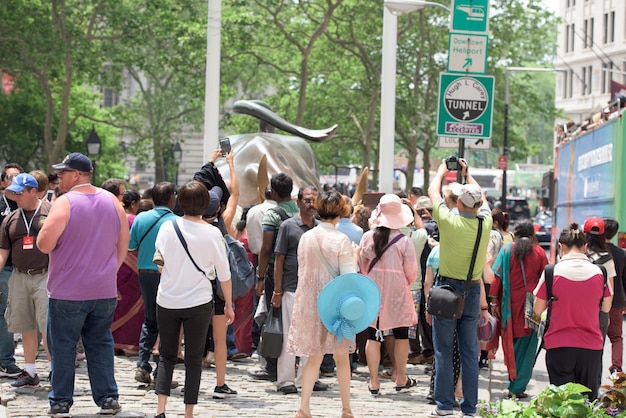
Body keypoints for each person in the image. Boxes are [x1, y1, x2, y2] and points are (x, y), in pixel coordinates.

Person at [37, 152, 129, 416]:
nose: (59, 177)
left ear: (76, 175)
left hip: (68, 290)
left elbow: (44, 244)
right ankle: (108, 398)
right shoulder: (112, 200)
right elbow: (124, 241)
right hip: (103, 288)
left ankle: (61, 401)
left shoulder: (65, 203)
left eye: (63, 173)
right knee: (100, 343)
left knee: (63, 346)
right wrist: (111, 270)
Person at [153, 180, 233, 418]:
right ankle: (188, 412)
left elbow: (160, 264)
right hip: (198, 302)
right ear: (207, 205)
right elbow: (225, 274)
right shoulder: (212, 233)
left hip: (167, 299)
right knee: (193, 359)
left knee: (167, 356)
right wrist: (228, 304)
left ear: (180, 202)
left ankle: (161, 409)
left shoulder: (167, 227)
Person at [427, 159, 491, 418]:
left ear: (460, 203)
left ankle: (443, 406)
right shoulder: (484, 224)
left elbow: (433, 192)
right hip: (473, 290)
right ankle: (470, 409)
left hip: (446, 288)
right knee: (469, 352)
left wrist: (442, 171)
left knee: (443, 349)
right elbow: (484, 199)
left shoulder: (449, 222)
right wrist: (469, 174)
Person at [287, 190, 356, 418]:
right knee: (341, 358)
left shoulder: (307, 237)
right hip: (336, 306)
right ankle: (346, 409)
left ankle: (304, 407)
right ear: (341, 212)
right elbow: (348, 277)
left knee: (313, 358)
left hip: (310, 302)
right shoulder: (341, 240)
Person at [533, 223, 612, 401]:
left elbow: (537, 310)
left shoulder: (551, 273)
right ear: (585, 247)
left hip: (559, 347)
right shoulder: (600, 273)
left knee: (561, 403)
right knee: (587, 402)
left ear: (561, 247)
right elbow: (606, 308)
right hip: (591, 348)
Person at [359, 194, 418, 394]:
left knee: (373, 336)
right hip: (398, 292)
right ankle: (400, 376)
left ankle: (374, 381)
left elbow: (363, 267)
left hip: (373, 291)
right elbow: (411, 273)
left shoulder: (368, 237)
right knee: (401, 334)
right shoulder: (404, 241)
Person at [272, 186, 327, 395]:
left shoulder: (321, 228)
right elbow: (279, 259)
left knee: (312, 336)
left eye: (314, 200)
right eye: (307, 200)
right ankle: (285, 380)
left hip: (315, 290)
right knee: (289, 335)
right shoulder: (288, 226)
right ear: (298, 202)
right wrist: (277, 291)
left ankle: (308, 378)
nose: (311, 204)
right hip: (291, 288)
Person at [0, 173, 52, 387]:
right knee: (25, 324)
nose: (16, 197)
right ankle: (30, 372)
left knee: (47, 325)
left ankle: (54, 370)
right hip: (20, 276)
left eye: (20, 193)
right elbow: (3, 251)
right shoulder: (11, 218)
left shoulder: (51, 212)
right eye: (13, 193)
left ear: (33, 191)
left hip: (46, 275)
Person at [489, 221, 548, 399]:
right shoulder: (538, 252)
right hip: (533, 304)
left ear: (514, 235)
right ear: (532, 235)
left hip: (508, 305)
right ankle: (517, 386)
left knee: (511, 343)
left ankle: (513, 379)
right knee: (529, 345)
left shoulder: (507, 251)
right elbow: (546, 277)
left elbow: (496, 278)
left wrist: (493, 302)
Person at [129, 182, 178, 385]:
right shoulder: (177, 221)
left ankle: (142, 364)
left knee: (149, 320)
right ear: (170, 198)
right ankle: (161, 371)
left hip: (145, 274)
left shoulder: (141, 218)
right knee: (168, 322)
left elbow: (132, 246)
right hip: (168, 274)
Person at [250, 173, 298, 382]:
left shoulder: (272, 214)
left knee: (274, 318)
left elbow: (266, 248)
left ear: (274, 192)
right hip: (297, 271)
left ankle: (272, 365)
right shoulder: (300, 212)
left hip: (275, 272)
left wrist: (260, 277)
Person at [110, 189, 143, 356]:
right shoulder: (136, 220)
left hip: (116, 266)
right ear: (133, 204)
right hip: (134, 269)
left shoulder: (113, 218)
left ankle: (114, 342)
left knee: (118, 304)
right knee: (135, 305)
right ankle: (132, 345)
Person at [0, 163, 25, 379]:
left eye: (19, 177)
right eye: (10, 176)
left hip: (23, 269)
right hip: (5, 268)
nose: (15, 180)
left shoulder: (26, 204)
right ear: (2, 182)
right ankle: (6, 361)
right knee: (6, 315)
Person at [603, 218, 626, 374]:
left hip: (599, 302)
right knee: (616, 337)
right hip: (617, 300)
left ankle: (594, 367)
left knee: (596, 337)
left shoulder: (595, 252)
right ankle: (616, 368)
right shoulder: (621, 253)